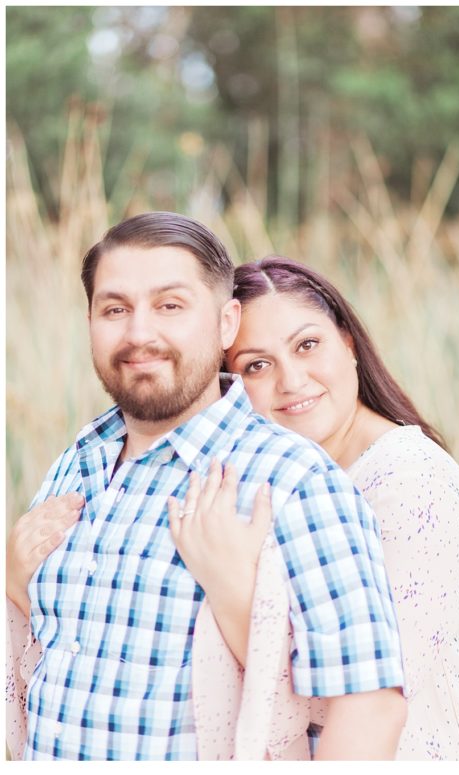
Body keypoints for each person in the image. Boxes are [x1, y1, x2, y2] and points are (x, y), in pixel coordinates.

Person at [5, 212, 406, 760]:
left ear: (225, 324)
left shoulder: (294, 481)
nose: (139, 333)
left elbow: (369, 708)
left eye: (170, 305)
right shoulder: (76, 464)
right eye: (115, 309)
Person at [205, 255, 459, 759]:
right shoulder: (272, 482)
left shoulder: (411, 482)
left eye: (307, 345)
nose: (292, 380)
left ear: (347, 342)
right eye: (256, 364)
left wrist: (228, 588)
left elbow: (364, 699)